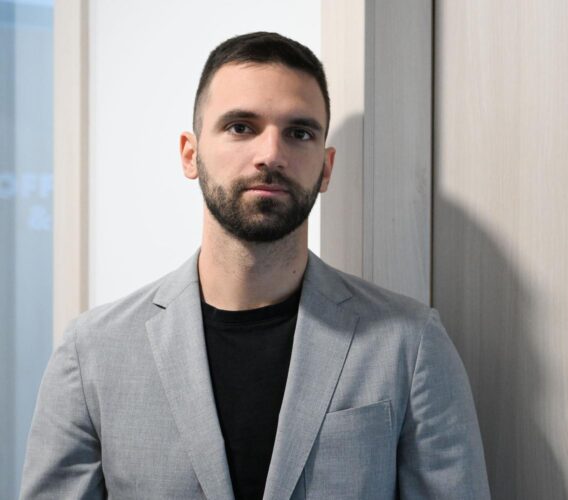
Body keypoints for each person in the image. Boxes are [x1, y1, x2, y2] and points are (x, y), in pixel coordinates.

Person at [20, 32, 490, 500]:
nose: (271, 155)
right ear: (190, 154)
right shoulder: (93, 354)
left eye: (299, 133)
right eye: (241, 127)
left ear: (326, 168)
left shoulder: (409, 344)